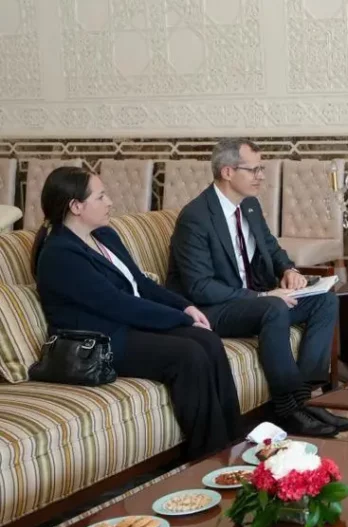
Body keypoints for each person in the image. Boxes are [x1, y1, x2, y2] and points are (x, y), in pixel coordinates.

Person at [32, 167, 240, 460]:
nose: (109, 202)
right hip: (100, 341)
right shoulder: (59, 254)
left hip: (124, 326)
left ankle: (235, 445)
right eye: (100, 197)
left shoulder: (104, 235)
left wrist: (185, 306)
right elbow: (118, 303)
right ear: (76, 206)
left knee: (208, 340)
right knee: (188, 354)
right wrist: (181, 319)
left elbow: (140, 283)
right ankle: (209, 458)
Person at [166, 138, 348, 437]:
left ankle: (305, 398)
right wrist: (263, 296)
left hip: (254, 302)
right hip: (212, 309)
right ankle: (287, 409)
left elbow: (271, 247)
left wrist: (288, 270)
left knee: (325, 300)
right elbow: (200, 287)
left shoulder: (249, 205)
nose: (261, 176)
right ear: (227, 172)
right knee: (273, 307)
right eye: (253, 170)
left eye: (261, 169)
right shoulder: (195, 218)